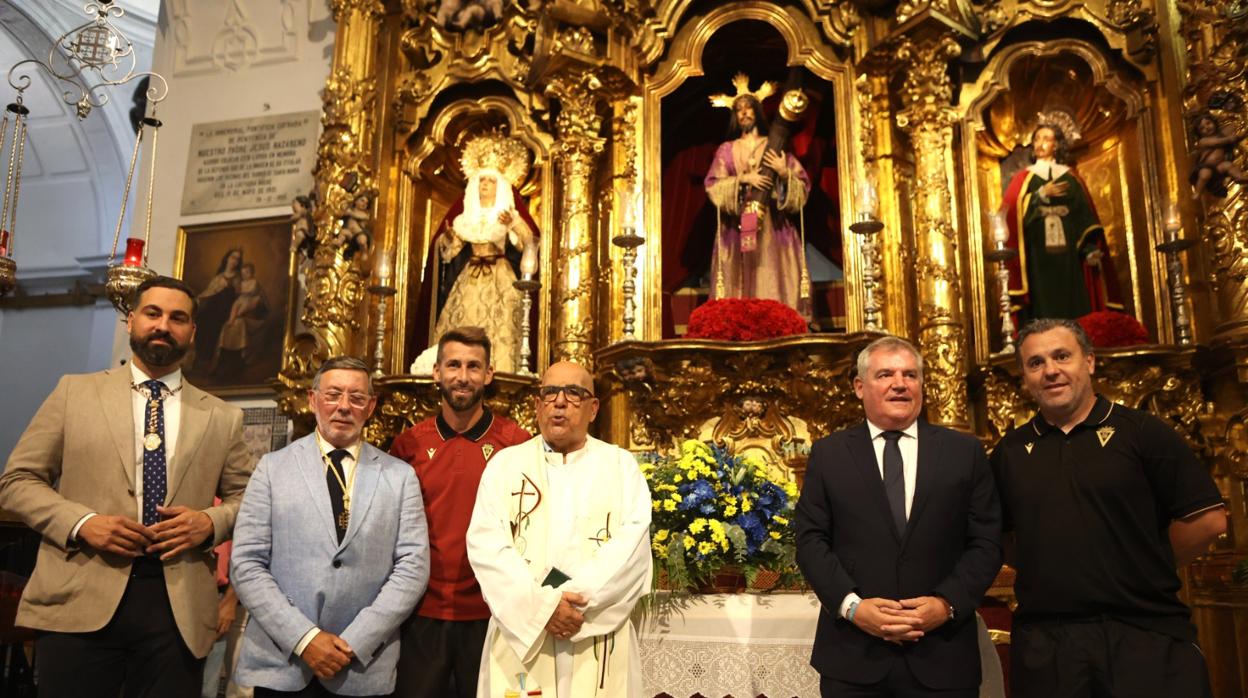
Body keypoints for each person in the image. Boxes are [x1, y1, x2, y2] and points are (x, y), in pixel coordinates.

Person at [0, 275, 254, 696]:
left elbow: (249, 498)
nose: (163, 325)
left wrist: (209, 522)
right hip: (81, 592)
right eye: (152, 313)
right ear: (131, 320)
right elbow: (17, 481)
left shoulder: (223, 417)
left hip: (179, 608)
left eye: (178, 318)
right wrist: (83, 522)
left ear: (193, 332)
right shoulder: (74, 393)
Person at [990, 318, 1227, 698]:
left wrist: (1142, 562)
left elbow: (1208, 520)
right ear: (1024, 376)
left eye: (1062, 356)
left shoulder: (1143, 432)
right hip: (1048, 648)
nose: (1050, 371)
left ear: (1089, 361)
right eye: (1036, 363)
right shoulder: (1009, 452)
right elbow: (1000, 537)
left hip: (1146, 635)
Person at [795, 335, 1002, 697]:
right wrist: (853, 607)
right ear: (860, 387)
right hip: (854, 658)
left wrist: (946, 603)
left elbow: (986, 541)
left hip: (943, 655)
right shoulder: (830, 454)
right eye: (886, 374)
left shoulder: (964, 452)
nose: (900, 384)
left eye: (910, 375)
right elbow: (810, 540)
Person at [231, 356, 430, 698]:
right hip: (284, 661)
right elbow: (247, 563)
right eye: (333, 394)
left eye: (356, 398)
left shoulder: (399, 477)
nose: (343, 407)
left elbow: (412, 567)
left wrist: (356, 640)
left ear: (370, 407)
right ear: (312, 400)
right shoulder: (272, 469)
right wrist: (305, 639)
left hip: (363, 664)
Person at [466, 361, 652, 697]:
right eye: (550, 393)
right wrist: (543, 608)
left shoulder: (621, 466)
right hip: (523, 632)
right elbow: (487, 547)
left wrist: (572, 605)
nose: (560, 402)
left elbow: (632, 549)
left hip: (595, 630)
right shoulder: (506, 466)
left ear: (593, 408)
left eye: (575, 393)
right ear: (537, 405)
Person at [389, 327, 531, 698]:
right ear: (436, 372)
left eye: (473, 366)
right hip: (421, 614)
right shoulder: (408, 445)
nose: (463, 376)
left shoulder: (517, 444)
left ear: (488, 375)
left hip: (494, 614)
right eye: (453, 365)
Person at [429, 133, 539, 374]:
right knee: (461, 327)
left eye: (490, 181)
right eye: (481, 181)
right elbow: (449, 254)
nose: (485, 185)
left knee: (501, 330)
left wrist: (513, 224)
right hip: (469, 279)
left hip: (501, 279)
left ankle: (501, 372)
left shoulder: (508, 214)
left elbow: (529, 243)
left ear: (500, 185)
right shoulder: (465, 219)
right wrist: (447, 239)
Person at [705, 73, 812, 317]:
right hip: (738, 227)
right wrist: (743, 179)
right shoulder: (727, 150)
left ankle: (779, 323)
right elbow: (712, 184)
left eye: (748, 108)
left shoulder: (775, 145)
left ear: (757, 111)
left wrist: (784, 173)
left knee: (771, 276)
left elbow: (802, 186)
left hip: (774, 229)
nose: (744, 113)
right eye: (739, 110)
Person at [1002, 114, 1122, 321]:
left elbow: (1083, 214)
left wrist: (1090, 248)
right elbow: (1010, 214)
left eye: (1046, 139)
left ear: (1056, 145)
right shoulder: (1025, 177)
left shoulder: (1069, 176)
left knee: (1071, 293)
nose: (1040, 143)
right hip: (1038, 252)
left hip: (1068, 251)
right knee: (1043, 297)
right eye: (1037, 139)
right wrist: (1040, 195)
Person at [195, 248, 243, 372]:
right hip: (213, 309)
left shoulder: (238, 278)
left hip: (226, 310)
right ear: (227, 258)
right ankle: (202, 358)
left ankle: (209, 361)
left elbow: (240, 297)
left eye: (237, 259)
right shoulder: (219, 277)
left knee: (215, 326)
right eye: (233, 257)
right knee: (201, 321)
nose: (235, 261)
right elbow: (209, 292)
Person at [1189, 111, 1248, 199]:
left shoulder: (1220, 135)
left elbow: (1234, 131)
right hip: (1206, 166)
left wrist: (1242, 132)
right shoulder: (1203, 141)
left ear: (1214, 122)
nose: (1207, 128)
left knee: (1229, 165)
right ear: (1199, 133)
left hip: (1219, 165)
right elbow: (1216, 143)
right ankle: (1198, 192)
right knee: (1205, 175)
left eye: (1208, 123)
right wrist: (1228, 139)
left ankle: (1239, 177)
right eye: (1202, 128)